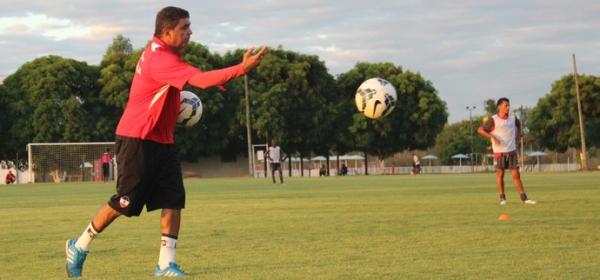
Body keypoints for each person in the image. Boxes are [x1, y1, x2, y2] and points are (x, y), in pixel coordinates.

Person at [65, 6, 267, 278]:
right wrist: (241, 69)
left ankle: (165, 264)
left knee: (173, 199)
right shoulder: (160, 59)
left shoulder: (166, 53)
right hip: (137, 138)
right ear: (167, 31)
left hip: (163, 140)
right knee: (125, 203)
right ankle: (79, 246)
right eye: (185, 28)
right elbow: (201, 80)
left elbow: (189, 80)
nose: (190, 32)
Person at [477, 97, 536, 206]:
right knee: (500, 174)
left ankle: (524, 198)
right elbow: (480, 130)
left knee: (516, 175)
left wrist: (518, 138)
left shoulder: (513, 118)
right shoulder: (493, 119)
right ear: (499, 107)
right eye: (506, 106)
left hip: (512, 151)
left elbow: (518, 126)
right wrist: (492, 137)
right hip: (499, 152)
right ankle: (502, 198)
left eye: (509, 105)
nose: (508, 108)